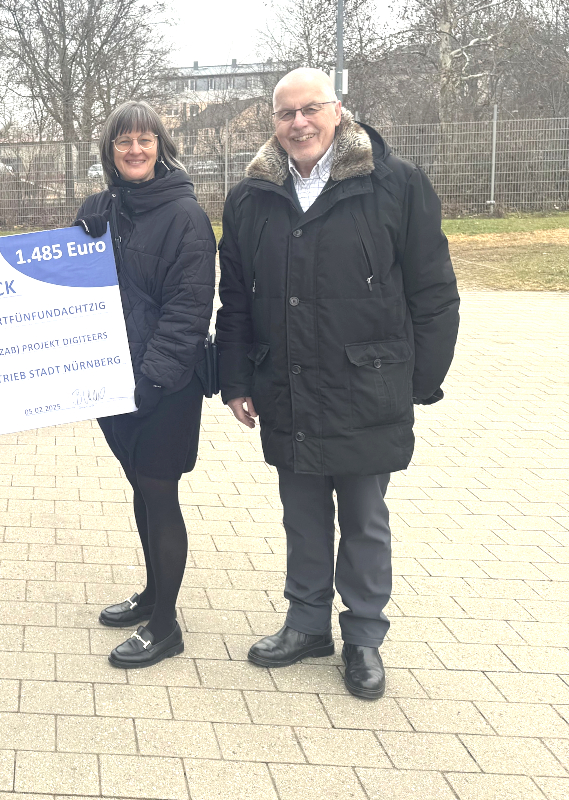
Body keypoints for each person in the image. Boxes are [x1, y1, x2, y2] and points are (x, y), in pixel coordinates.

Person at [216, 68, 459, 699]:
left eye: (310, 109)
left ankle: (364, 639)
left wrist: (420, 377)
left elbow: (433, 291)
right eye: (284, 113)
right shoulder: (250, 199)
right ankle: (305, 625)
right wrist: (235, 377)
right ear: (273, 122)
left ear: (339, 111)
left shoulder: (395, 186)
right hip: (287, 384)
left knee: (362, 517)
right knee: (301, 516)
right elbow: (235, 300)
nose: (298, 122)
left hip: (365, 385)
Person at [74, 100, 217, 669]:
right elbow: (66, 286)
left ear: (162, 146)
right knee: (142, 490)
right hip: (113, 383)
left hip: (164, 386)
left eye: (145, 140)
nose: (134, 149)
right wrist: (78, 233)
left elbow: (189, 309)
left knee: (160, 493)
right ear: (109, 153)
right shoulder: (105, 210)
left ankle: (165, 626)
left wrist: (154, 380)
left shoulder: (185, 215)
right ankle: (154, 593)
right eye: (122, 141)